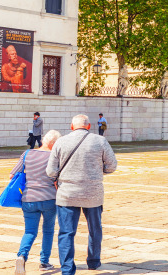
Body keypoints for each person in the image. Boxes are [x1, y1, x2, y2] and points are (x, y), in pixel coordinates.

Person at [47, 114, 117, 275]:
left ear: (71, 126)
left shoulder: (61, 141)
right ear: (89, 126)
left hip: (67, 194)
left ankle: (67, 268)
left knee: (66, 232)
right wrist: (98, 172)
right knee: (95, 229)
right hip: (92, 193)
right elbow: (112, 165)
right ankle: (93, 261)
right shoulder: (100, 141)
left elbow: (50, 171)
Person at [11, 129, 61, 274]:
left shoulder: (27, 153)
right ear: (54, 143)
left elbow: (12, 174)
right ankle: (44, 262)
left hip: (29, 198)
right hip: (49, 199)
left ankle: (21, 256)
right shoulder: (54, 157)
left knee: (30, 232)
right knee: (48, 230)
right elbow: (57, 177)